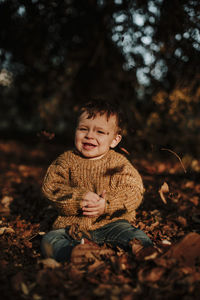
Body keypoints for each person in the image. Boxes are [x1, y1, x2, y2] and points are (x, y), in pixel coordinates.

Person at [41, 100, 153, 263]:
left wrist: (107, 204)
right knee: (49, 240)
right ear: (75, 131)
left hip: (113, 224)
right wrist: (78, 198)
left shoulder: (119, 164)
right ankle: (76, 253)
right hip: (73, 226)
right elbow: (51, 188)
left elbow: (134, 190)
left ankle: (149, 254)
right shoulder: (66, 161)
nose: (89, 135)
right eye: (83, 129)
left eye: (100, 132)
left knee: (136, 236)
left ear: (115, 140)